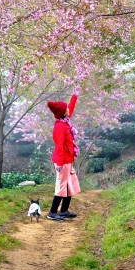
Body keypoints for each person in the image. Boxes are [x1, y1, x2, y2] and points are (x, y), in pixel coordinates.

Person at [46, 93, 80, 221]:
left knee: (69, 185)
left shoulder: (65, 121)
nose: (68, 110)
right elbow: (59, 145)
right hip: (62, 160)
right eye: (66, 109)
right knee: (61, 185)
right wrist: (59, 163)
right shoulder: (60, 126)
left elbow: (70, 108)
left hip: (68, 159)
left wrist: (74, 97)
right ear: (62, 112)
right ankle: (52, 212)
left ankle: (64, 210)